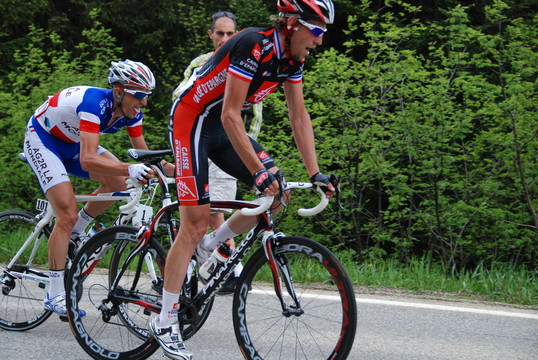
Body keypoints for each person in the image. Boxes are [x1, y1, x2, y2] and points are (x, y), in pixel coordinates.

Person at [152, 1, 336, 359]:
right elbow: (231, 113)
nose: (319, 40)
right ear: (293, 23)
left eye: (323, 33)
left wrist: (315, 173)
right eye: (316, 31)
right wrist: (257, 171)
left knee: (278, 193)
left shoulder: (292, 60)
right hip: (194, 121)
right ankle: (163, 322)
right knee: (193, 223)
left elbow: (299, 116)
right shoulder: (253, 43)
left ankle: (213, 246)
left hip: (221, 127)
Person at [23, 59, 174, 317]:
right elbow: (88, 159)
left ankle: (77, 232)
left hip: (72, 143)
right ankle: (55, 293)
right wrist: (130, 168)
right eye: (139, 95)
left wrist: (179, 170)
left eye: (147, 96)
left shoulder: (132, 112)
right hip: (43, 141)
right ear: (118, 90)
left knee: (117, 183)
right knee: (67, 214)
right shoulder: (94, 104)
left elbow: (145, 155)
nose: (144, 102)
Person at [172, 10, 264, 295]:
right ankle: (200, 272)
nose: (224, 38)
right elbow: (179, 97)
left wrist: (246, 149)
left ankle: (225, 269)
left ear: (237, 35)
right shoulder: (201, 63)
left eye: (230, 33)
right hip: (197, 137)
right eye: (220, 33)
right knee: (199, 215)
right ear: (211, 35)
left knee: (219, 210)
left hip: (227, 144)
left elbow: (255, 115)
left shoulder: (250, 61)